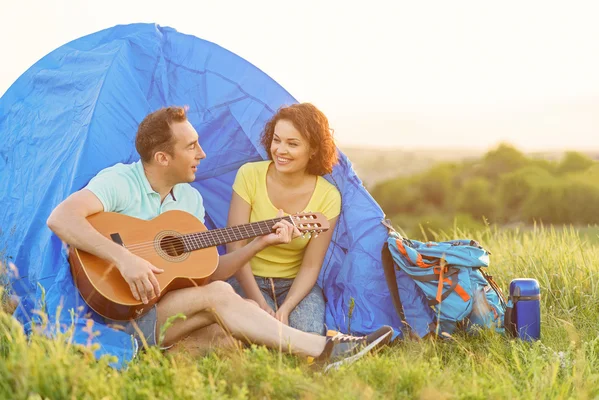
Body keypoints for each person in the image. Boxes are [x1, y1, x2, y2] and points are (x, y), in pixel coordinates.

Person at [46, 106, 392, 370]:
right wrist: (124, 258)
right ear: (163, 157)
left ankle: (158, 359)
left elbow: (208, 270)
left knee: (231, 334)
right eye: (192, 146)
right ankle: (325, 351)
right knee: (223, 297)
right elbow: (61, 218)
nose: (203, 154)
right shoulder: (120, 181)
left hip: (167, 311)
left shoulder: (188, 202)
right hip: (121, 312)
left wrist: (261, 242)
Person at [226, 103, 339, 335]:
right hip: (247, 278)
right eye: (276, 140)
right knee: (249, 334)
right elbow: (233, 248)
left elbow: (311, 266)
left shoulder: (328, 196)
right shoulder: (249, 175)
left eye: (292, 144)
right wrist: (262, 305)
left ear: (314, 150)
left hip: (295, 286)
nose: (280, 150)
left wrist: (285, 309)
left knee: (305, 336)